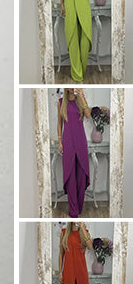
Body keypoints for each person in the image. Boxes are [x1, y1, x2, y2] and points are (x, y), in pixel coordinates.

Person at [57, 89, 91, 220]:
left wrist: (81, 95)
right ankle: (73, 210)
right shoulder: (61, 102)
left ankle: (79, 207)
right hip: (67, 141)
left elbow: (88, 115)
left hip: (81, 140)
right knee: (70, 175)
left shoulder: (81, 101)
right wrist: (60, 142)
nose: (72, 88)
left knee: (81, 175)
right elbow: (59, 123)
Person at [60, 0, 95, 82]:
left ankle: (82, 70)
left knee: (85, 37)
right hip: (69, 4)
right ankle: (76, 73)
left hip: (83, 3)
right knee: (72, 36)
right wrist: (62, 5)